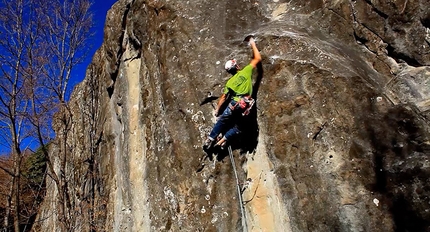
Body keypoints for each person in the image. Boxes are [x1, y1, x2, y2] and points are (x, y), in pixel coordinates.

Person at [204, 37, 261, 149]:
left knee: (222, 120)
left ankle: (210, 138)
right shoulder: (246, 71)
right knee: (240, 127)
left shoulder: (230, 83)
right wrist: (253, 43)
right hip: (245, 104)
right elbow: (257, 58)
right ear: (237, 66)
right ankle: (223, 140)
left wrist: (217, 110)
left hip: (234, 104)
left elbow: (223, 98)